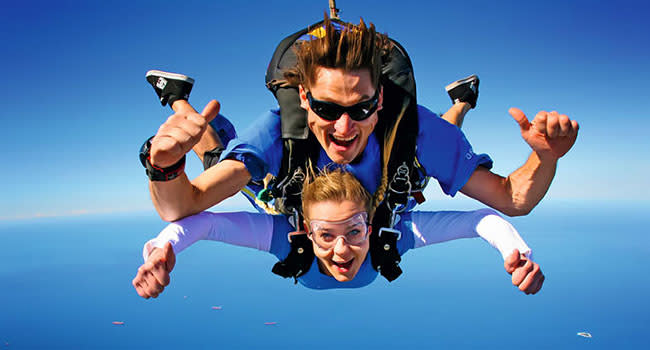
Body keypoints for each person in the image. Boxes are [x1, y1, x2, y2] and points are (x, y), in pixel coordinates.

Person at [139, 16, 579, 224]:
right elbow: (183, 204)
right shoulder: (278, 134)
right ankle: (178, 99)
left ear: (380, 98)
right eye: (328, 110)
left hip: (401, 167)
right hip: (289, 189)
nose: (345, 129)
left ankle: (463, 101)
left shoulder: (416, 129)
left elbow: (513, 200)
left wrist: (545, 159)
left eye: (362, 109)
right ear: (305, 100)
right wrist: (165, 164)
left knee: (428, 152)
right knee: (212, 152)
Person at [133, 169, 544, 297]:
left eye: (354, 232)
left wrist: (514, 250)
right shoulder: (283, 234)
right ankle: (180, 99)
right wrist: (163, 246)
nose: (343, 249)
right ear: (307, 232)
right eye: (326, 236)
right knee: (219, 162)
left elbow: (479, 220)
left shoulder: (394, 231)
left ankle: (459, 105)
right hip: (292, 198)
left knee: (419, 172)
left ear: (370, 224)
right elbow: (207, 222)